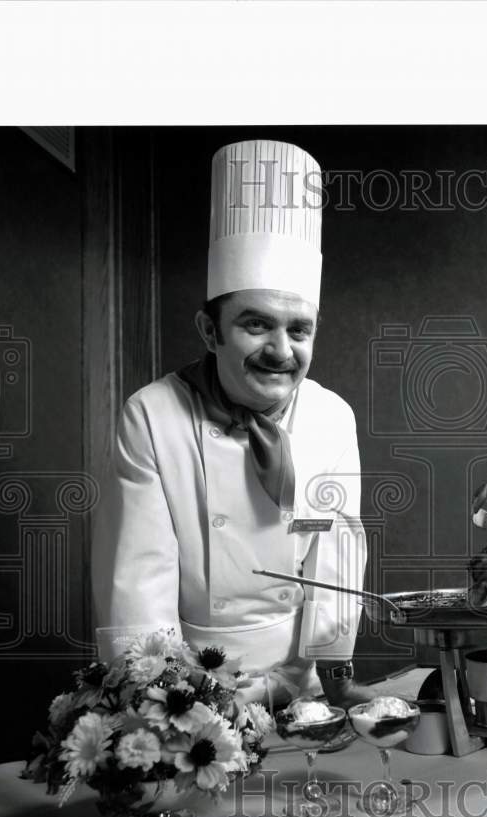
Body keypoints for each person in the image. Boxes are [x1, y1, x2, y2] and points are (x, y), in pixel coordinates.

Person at [92, 138, 374, 710]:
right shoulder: (151, 414)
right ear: (209, 330)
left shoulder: (331, 417)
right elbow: (137, 575)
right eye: (255, 324)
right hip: (193, 684)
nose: (280, 350)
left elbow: (335, 553)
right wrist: (167, 708)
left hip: (304, 684)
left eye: (299, 330)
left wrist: (334, 674)